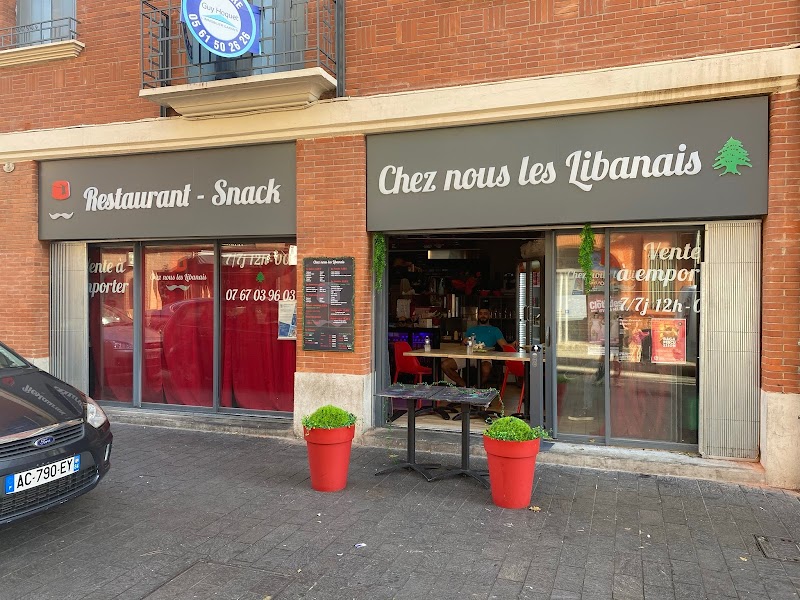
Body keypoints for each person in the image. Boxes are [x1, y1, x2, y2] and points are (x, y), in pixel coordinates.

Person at [441, 307, 511, 387]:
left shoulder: (495, 330)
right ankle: (465, 386)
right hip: (469, 355)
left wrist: (513, 345)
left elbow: (504, 346)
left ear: (489, 316)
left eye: (485, 314)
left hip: (486, 356)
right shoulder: (471, 329)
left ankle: (476, 387)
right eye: (481, 314)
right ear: (478, 316)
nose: (483, 316)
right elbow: (462, 347)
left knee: (486, 369)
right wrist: (463, 342)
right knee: (445, 365)